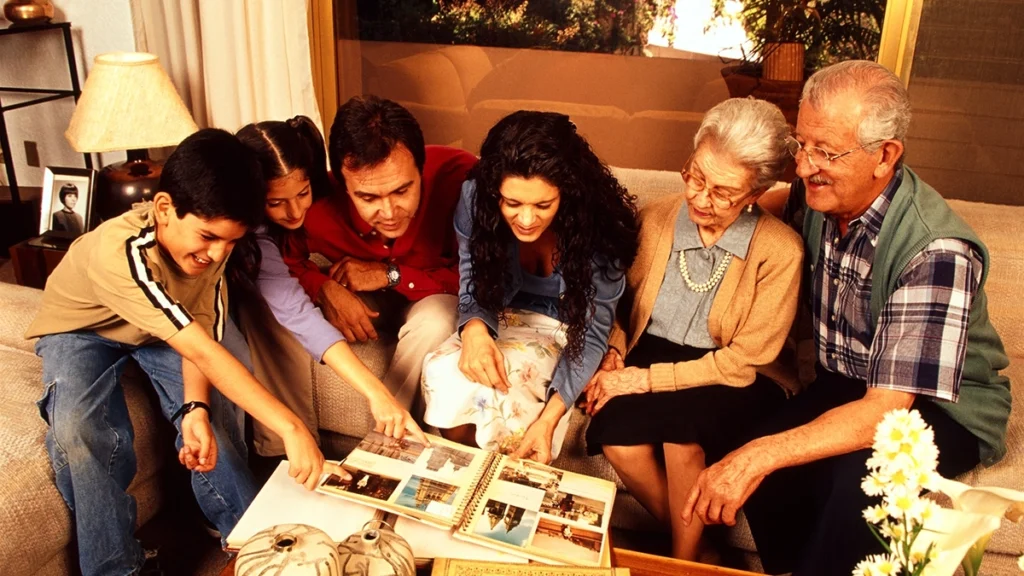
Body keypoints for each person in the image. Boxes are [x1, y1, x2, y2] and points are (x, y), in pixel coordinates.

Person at [681, 60, 1012, 575]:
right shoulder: (818, 195)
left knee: (854, 486)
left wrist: (761, 455)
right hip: (848, 383)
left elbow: (887, 409)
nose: (803, 165)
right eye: (801, 144)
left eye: (826, 152)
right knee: (745, 444)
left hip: (934, 406)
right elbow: (747, 209)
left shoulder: (936, 249)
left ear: (885, 156)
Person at [26, 129, 344, 576]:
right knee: (78, 429)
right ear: (163, 209)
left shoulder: (210, 254)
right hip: (84, 330)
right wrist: (290, 427)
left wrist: (194, 407)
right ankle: (116, 568)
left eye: (230, 242)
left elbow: (202, 342)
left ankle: (254, 542)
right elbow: (202, 349)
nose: (217, 255)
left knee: (211, 414)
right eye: (209, 237)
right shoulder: (121, 255)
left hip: (164, 332)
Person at [581, 98, 803, 560]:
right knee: (614, 433)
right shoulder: (656, 218)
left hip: (734, 375)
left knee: (682, 435)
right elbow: (619, 305)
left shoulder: (781, 251)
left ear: (757, 192)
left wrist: (642, 380)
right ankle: (700, 554)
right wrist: (614, 354)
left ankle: (679, 565)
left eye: (723, 192)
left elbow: (745, 361)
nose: (701, 198)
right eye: (696, 176)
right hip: (652, 355)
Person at [421, 110, 640, 464]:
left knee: (507, 391)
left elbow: (595, 332)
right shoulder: (474, 198)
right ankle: (465, 484)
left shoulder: (602, 225)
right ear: (495, 193)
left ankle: (502, 492)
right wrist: (474, 329)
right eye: (512, 203)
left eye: (543, 205)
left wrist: (550, 419)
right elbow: (471, 277)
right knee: (446, 371)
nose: (525, 219)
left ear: (566, 193)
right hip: (499, 317)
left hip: (568, 331)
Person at [232, 115, 427, 454]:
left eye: (302, 194)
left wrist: (326, 284)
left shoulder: (317, 208)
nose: (294, 212)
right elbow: (300, 316)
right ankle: (279, 453)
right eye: (275, 203)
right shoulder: (255, 239)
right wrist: (376, 393)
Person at [283, 96, 477, 417]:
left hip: (437, 295)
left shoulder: (461, 177)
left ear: (421, 167)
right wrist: (323, 287)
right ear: (343, 185)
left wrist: (390, 274)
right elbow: (281, 264)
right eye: (368, 197)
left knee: (437, 320)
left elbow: (483, 278)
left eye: (402, 191)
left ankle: (387, 444)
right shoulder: (316, 204)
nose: (388, 212)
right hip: (366, 300)